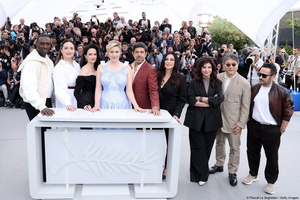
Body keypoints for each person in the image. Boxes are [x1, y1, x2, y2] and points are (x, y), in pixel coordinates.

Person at [242, 63, 294, 195]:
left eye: (264, 75)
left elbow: (288, 111)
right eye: (260, 74)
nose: (260, 77)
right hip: (254, 125)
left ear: (273, 76)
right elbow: (248, 106)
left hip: (272, 129)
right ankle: (253, 174)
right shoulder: (254, 88)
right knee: (252, 152)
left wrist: (281, 129)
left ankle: (271, 181)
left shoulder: (282, 92)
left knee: (271, 156)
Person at [209, 54, 251, 186]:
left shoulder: (244, 83)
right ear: (222, 65)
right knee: (219, 143)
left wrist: (241, 123)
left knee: (235, 148)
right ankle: (219, 164)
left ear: (238, 65)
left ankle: (232, 172)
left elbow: (246, 106)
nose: (231, 67)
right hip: (218, 119)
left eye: (234, 64)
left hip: (234, 122)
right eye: (228, 64)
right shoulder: (217, 78)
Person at [184, 56, 224, 186]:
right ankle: (200, 175)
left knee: (207, 147)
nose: (206, 70)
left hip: (212, 120)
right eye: (204, 67)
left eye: (209, 67)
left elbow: (219, 100)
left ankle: (201, 172)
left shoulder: (218, 83)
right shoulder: (194, 82)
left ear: (212, 69)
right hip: (195, 119)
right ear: (200, 69)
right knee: (197, 147)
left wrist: (201, 99)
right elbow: (190, 100)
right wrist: (210, 101)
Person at [91, 40, 144, 112]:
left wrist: (135, 105)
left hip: (122, 104)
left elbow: (129, 90)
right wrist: (96, 104)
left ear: (120, 53)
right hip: (104, 103)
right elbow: (98, 89)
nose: (114, 55)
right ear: (107, 53)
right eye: (111, 52)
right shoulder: (101, 67)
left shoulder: (127, 68)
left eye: (116, 52)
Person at [157, 52, 187, 179]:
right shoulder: (157, 75)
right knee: (156, 142)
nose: (168, 61)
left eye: (171, 60)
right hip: (156, 113)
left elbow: (182, 99)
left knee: (170, 143)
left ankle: (166, 168)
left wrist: (176, 114)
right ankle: (154, 165)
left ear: (175, 62)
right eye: (167, 59)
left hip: (170, 114)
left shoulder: (180, 78)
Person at [18, 34, 55, 120]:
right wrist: (41, 106)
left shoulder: (48, 61)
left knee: (46, 132)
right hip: (35, 103)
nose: (45, 46)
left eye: (47, 44)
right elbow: (28, 87)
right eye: (42, 43)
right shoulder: (30, 62)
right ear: (36, 44)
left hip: (46, 100)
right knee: (38, 132)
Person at [131, 42, 160, 115]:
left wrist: (155, 107)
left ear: (146, 54)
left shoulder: (150, 69)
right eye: (137, 52)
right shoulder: (127, 67)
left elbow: (153, 90)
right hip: (127, 107)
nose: (139, 54)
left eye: (141, 52)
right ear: (133, 53)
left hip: (143, 109)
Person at [53, 39, 80, 111]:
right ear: (61, 51)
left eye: (71, 48)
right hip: (66, 99)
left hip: (77, 97)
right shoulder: (59, 67)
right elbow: (59, 89)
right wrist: (67, 103)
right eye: (66, 48)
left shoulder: (77, 65)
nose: (69, 51)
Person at [74, 44, 100, 109]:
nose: (93, 56)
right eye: (90, 54)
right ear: (85, 56)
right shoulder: (84, 70)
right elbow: (76, 92)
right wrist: (84, 105)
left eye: (95, 54)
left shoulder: (98, 68)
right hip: (86, 104)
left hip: (97, 102)